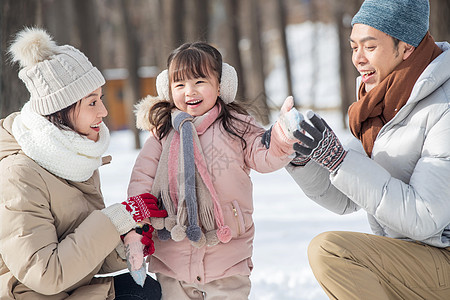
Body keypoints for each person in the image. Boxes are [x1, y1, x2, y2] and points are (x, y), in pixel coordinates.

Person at [283, 0, 450, 298]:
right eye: (353, 47)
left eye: (369, 47)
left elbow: (424, 217)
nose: (358, 59)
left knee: (331, 251)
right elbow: (347, 200)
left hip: (441, 256)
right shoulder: (381, 106)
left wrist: (338, 160)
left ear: (406, 48)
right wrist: (303, 156)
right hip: (411, 254)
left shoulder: (443, 106)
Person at [127, 42, 298, 299]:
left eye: (200, 81)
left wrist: (282, 137)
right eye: (180, 84)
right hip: (174, 257)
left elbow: (264, 156)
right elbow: (142, 180)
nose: (190, 91)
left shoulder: (237, 127)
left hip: (227, 257)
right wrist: (137, 228)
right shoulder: (162, 133)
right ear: (168, 89)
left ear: (220, 85)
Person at [0, 27, 162, 299]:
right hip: (29, 294)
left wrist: (124, 243)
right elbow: (46, 275)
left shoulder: (71, 156)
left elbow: (77, 252)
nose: (104, 111)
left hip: (66, 289)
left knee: (147, 289)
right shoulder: (19, 175)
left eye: (101, 98)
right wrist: (112, 220)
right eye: (92, 102)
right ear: (60, 110)